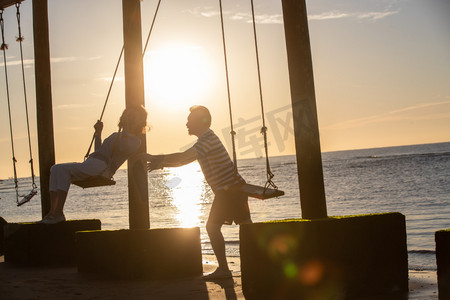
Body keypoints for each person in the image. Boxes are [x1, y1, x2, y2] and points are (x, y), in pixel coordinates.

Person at [142, 105, 252, 280]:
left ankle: (225, 269)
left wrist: (154, 158)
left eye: (190, 120)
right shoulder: (206, 140)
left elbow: (182, 156)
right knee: (247, 228)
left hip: (229, 190)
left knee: (213, 227)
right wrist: (161, 164)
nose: (186, 123)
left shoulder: (207, 140)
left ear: (201, 122)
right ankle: (256, 264)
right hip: (234, 188)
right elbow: (184, 160)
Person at [39, 106, 148, 224]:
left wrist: (126, 128)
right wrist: (98, 133)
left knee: (63, 170)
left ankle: (58, 213)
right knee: (55, 169)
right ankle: (52, 213)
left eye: (132, 116)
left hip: (102, 168)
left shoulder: (136, 141)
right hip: (92, 162)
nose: (129, 117)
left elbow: (123, 148)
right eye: (127, 114)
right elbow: (98, 150)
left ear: (139, 121)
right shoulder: (115, 135)